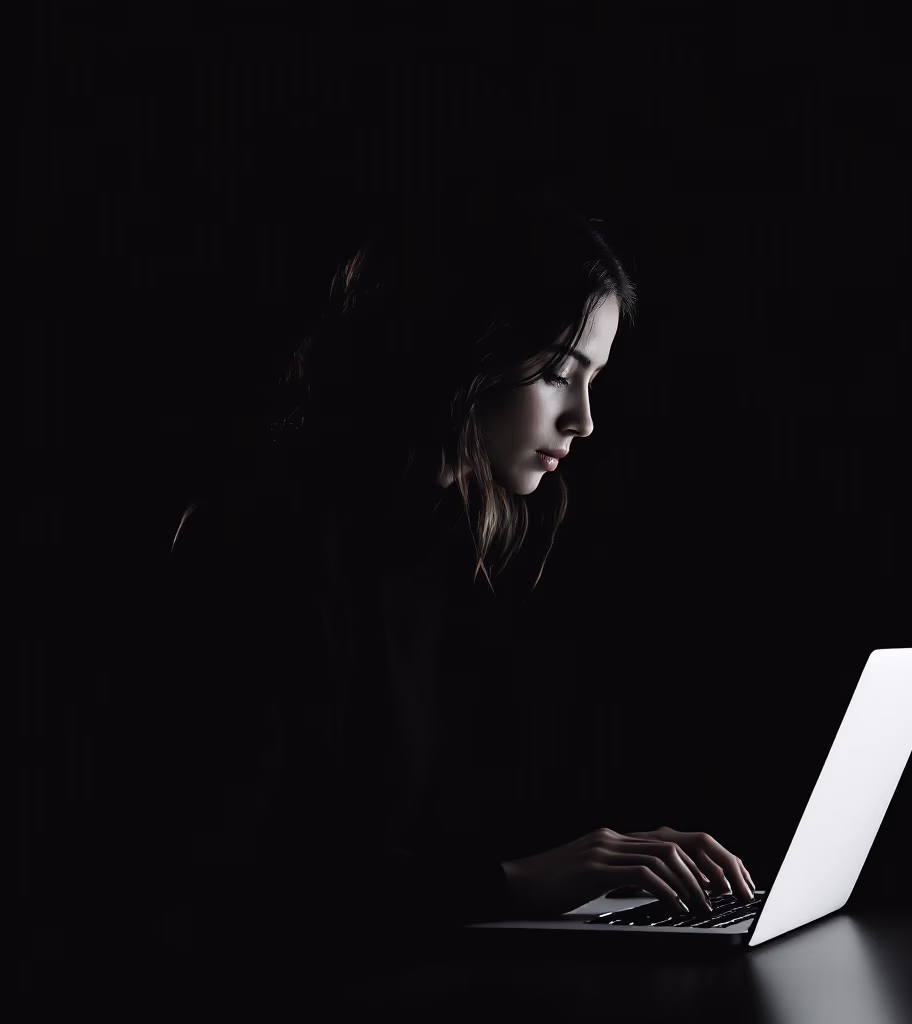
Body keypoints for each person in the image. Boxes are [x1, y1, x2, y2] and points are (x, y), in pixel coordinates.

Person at [138, 183, 754, 976]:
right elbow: (235, 887)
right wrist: (515, 882)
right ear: (469, 350)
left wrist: (602, 869)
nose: (584, 420)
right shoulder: (265, 545)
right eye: (560, 373)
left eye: (593, 377)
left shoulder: (447, 545)